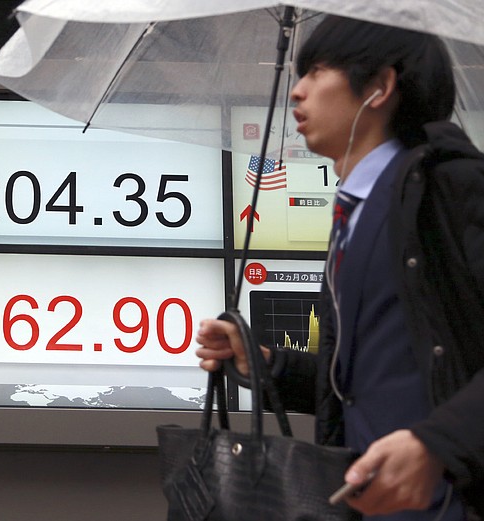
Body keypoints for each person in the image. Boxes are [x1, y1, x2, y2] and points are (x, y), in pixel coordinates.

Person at [196, 15, 484, 521]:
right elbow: (366, 383)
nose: (297, 93)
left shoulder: (453, 188)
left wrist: (438, 444)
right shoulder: (354, 212)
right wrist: (266, 364)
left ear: (379, 87)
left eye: (318, 71)